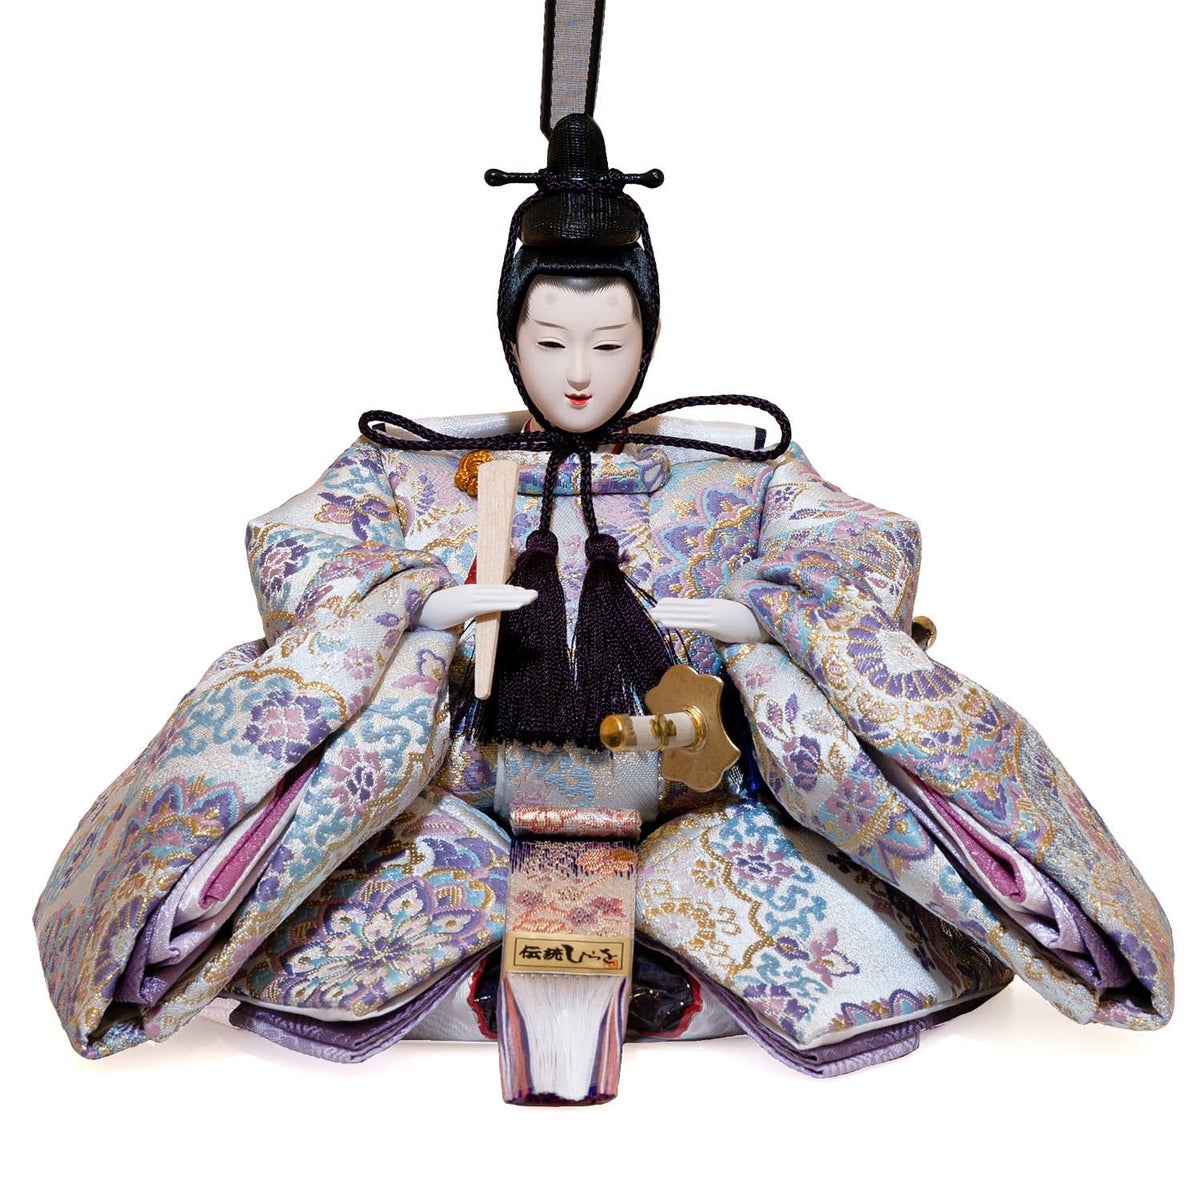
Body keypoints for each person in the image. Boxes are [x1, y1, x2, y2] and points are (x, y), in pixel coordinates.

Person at [33, 115, 1171, 1086]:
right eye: (549, 341)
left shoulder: (735, 466)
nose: (579, 373)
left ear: (650, 339)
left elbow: (856, 539)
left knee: (803, 839)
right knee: (355, 842)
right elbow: (303, 539)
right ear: (509, 336)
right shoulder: (410, 463)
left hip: (694, 792)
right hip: (459, 794)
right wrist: (413, 607)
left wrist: (769, 617)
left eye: (609, 342)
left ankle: (674, 970)